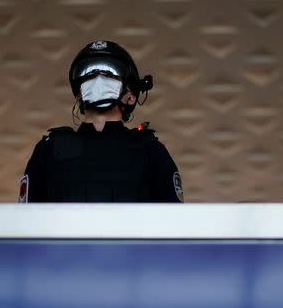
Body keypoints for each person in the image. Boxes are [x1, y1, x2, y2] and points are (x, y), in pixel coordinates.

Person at [19, 40, 183, 203]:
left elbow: (176, 220)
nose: (98, 80)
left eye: (109, 74)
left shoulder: (150, 149)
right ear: (78, 95)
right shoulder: (49, 149)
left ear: (131, 96)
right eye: (89, 75)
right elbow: (24, 220)